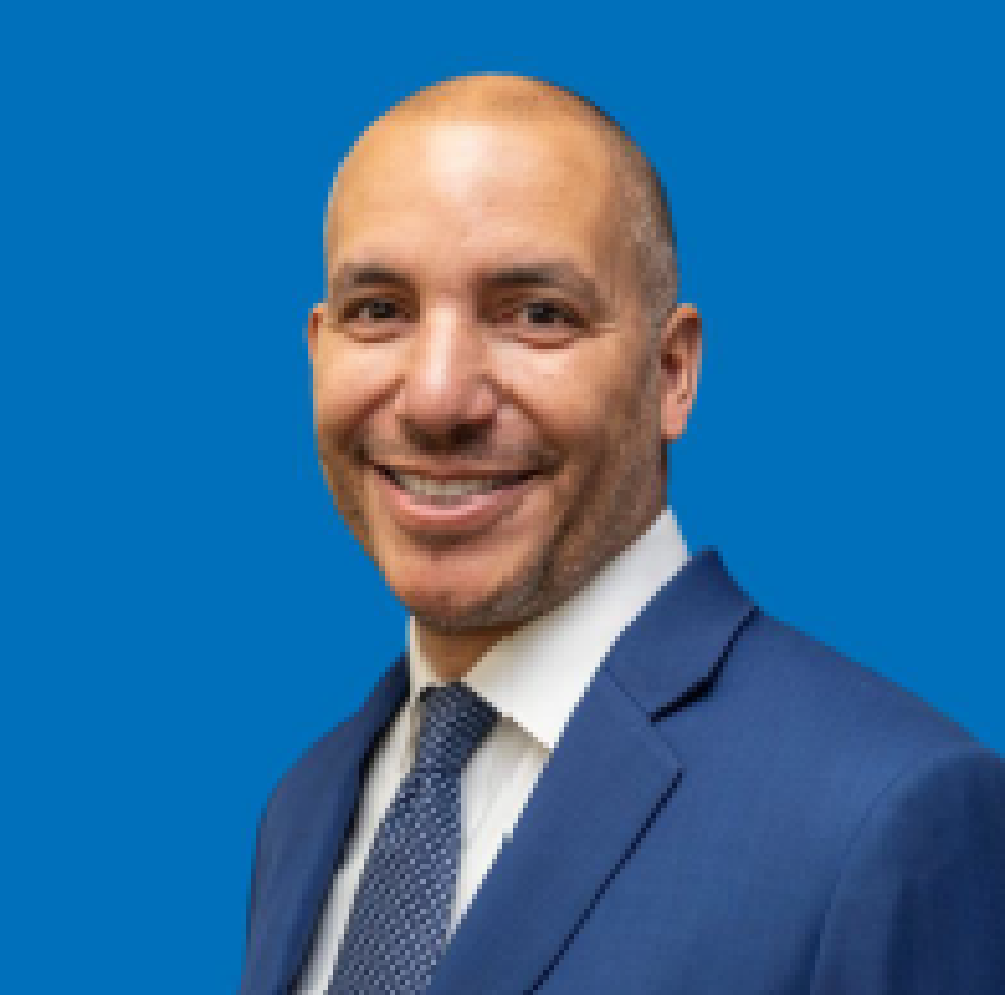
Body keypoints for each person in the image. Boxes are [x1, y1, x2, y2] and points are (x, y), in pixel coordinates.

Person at [238, 74, 1005, 995]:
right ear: (318, 348)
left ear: (671, 372)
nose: (437, 397)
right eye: (379, 311)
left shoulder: (883, 815)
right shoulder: (307, 804)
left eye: (536, 314)